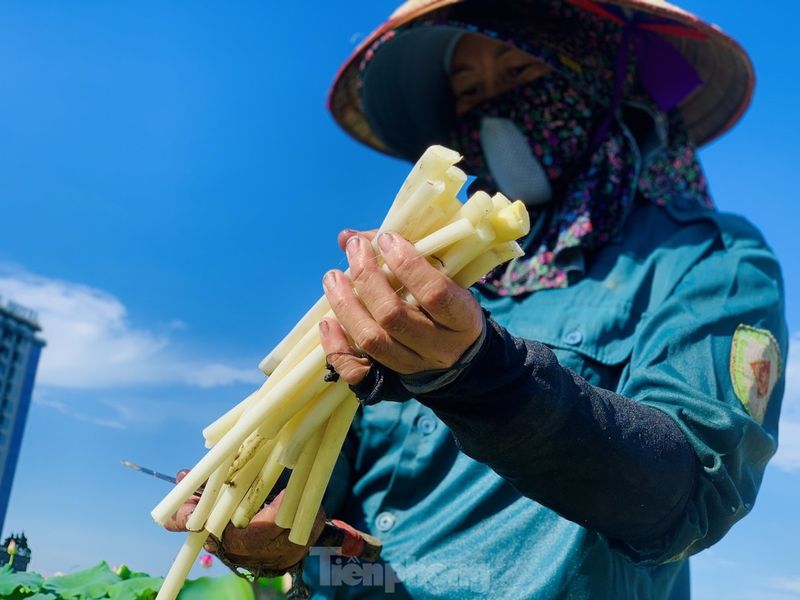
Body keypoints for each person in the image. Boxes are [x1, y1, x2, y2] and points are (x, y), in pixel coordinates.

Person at [166, 1, 789, 597]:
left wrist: (482, 376)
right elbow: (324, 463)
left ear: (598, 79)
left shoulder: (708, 259)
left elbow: (697, 495)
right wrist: (275, 506)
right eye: (469, 91)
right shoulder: (438, 261)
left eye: (522, 71)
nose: (495, 108)